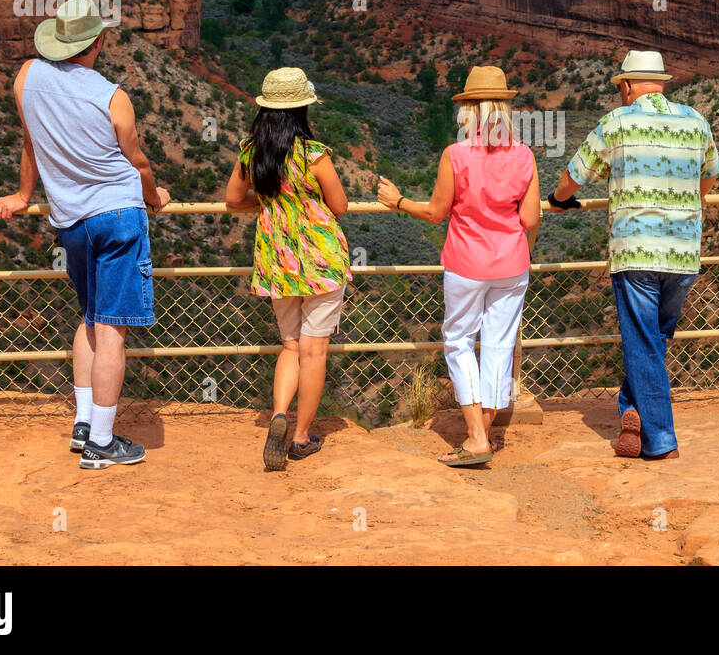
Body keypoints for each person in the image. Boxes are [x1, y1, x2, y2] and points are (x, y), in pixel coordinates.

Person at [0, 0, 170, 470]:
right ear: (98, 42)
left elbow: (31, 140)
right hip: (118, 217)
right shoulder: (112, 96)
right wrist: (153, 194)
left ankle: (84, 426)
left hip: (71, 223)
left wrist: (24, 195)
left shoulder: (27, 76)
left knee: (89, 317)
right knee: (112, 328)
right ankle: (103, 444)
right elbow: (138, 162)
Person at [549, 50, 719, 460]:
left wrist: (558, 200)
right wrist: (686, 205)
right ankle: (631, 408)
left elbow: (575, 174)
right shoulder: (696, 121)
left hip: (636, 253)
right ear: (662, 83)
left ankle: (661, 440)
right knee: (655, 338)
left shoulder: (617, 123)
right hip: (682, 254)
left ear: (626, 87)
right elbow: (710, 173)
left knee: (643, 342)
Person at [377, 66, 539, 467]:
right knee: (499, 343)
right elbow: (531, 219)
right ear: (504, 108)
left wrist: (398, 201)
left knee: (459, 341)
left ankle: (476, 437)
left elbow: (435, 213)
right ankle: (483, 432)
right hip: (511, 264)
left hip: (466, 263)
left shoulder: (456, 154)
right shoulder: (524, 155)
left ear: (468, 110)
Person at [225, 67, 350, 471]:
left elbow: (232, 200)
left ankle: (279, 414)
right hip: (321, 260)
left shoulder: (251, 151)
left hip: (277, 259)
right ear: (302, 110)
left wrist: (269, 205)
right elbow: (340, 206)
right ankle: (299, 437)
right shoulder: (314, 154)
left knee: (291, 347)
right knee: (315, 351)